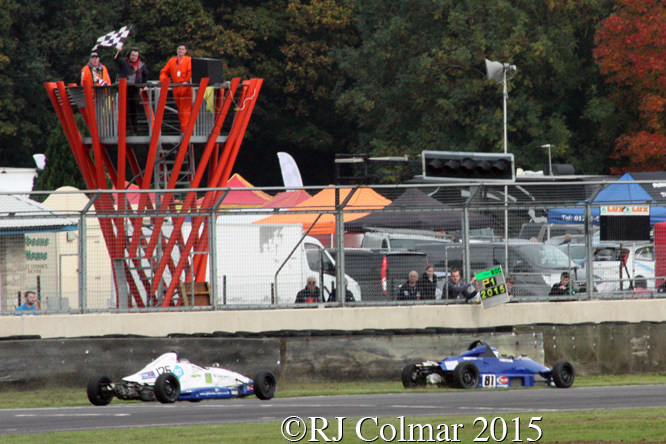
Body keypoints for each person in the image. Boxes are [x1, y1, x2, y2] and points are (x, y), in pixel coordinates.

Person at [115, 45, 149, 135]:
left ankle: (134, 130)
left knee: (134, 110)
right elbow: (116, 61)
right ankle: (127, 130)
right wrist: (119, 52)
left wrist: (142, 86)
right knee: (125, 110)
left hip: (135, 89)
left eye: (135, 56)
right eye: (132, 55)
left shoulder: (141, 65)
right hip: (124, 89)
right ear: (129, 55)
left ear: (138, 56)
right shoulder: (124, 62)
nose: (133, 57)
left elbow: (145, 75)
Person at [160, 43, 192, 131]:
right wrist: (164, 81)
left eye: (182, 49)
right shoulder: (171, 61)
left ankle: (185, 129)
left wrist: (187, 80)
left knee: (185, 109)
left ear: (186, 51)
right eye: (179, 49)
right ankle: (183, 127)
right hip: (175, 86)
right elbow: (164, 72)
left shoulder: (189, 60)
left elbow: (190, 71)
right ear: (177, 50)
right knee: (179, 109)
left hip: (185, 87)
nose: (180, 51)